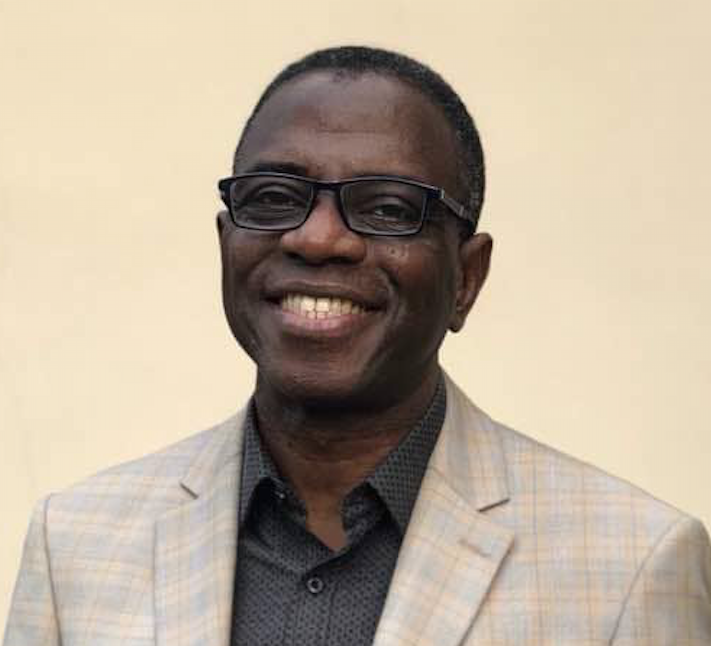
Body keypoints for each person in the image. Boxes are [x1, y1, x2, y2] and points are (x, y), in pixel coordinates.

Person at [4, 45, 710, 646]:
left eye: (387, 209)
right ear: (225, 244)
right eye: (274, 197)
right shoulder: (76, 545)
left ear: (466, 278)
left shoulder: (632, 565)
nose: (317, 239)